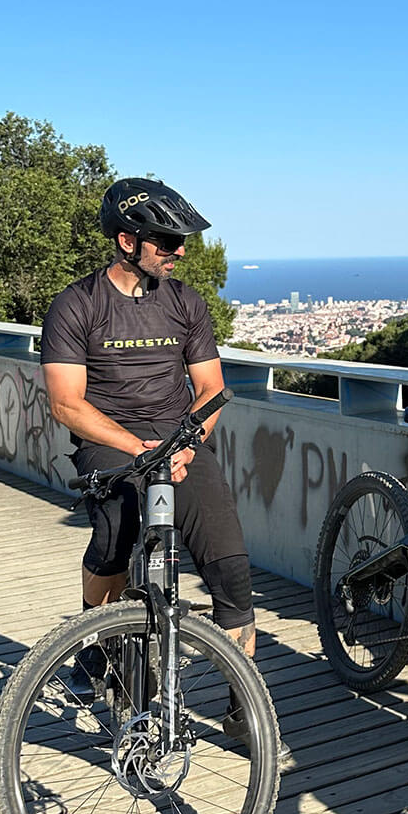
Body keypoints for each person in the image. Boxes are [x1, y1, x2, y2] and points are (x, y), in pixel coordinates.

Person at [40, 178, 258, 727]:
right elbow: (66, 403)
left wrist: (186, 446)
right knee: (115, 536)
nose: (179, 251)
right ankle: (94, 641)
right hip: (109, 437)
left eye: (182, 241)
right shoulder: (77, 304)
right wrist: (134, 447)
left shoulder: (185, 302)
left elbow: (210, 389)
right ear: (126, 241)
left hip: (179, 438)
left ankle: (246, 711)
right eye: (167, 241)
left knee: (231, 568)